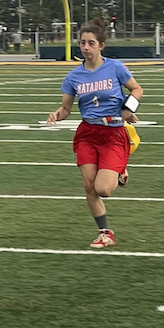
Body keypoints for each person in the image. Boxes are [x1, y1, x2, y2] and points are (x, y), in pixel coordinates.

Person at [46, 18, 143, 248]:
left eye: (91, 43)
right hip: (87, 133)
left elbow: (137, 89)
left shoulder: (115, 67)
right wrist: (56, 115)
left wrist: (128, 108)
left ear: (101, 45)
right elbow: (67, 109)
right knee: (89, 186)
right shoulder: (73, 77)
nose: (86, 47)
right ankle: (105, 232)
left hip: (113, 133)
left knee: (103, 189)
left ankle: (119, 168)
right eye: (82, 43)